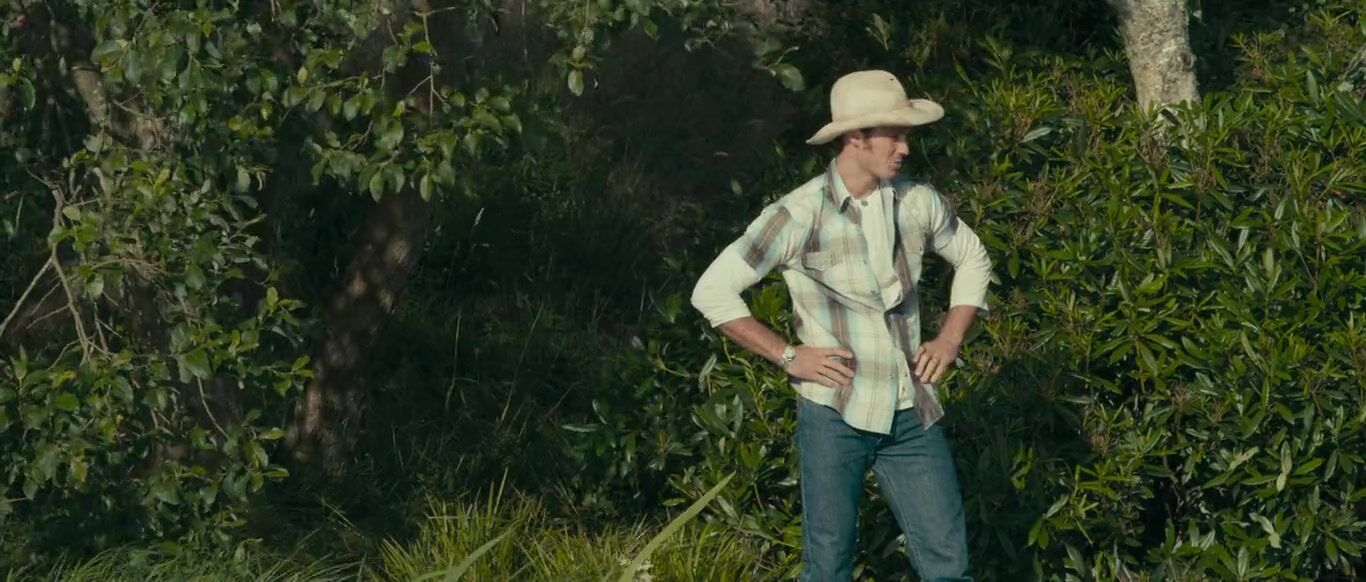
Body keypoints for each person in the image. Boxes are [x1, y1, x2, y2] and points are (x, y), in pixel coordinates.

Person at [689, 69, 993, 581]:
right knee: (828, 567)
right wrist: (788, 355)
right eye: (894, 136)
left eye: (907, 135)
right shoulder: (797, 214)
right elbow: (711, 292)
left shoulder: (917, 202)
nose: (905, 149)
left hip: (911, 412)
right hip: (834, 415)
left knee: (948, 566)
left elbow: (973, 257)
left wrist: (949, 338)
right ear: (856, 137)